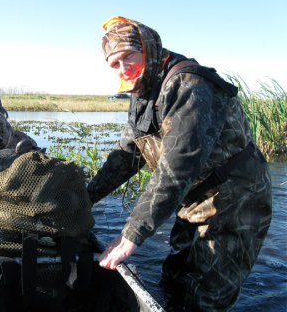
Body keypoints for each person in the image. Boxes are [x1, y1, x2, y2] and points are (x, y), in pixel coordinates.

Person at [87, 16, 272, 311]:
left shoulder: (189, 85)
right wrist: (85, 198)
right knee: (175, 280)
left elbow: (177, 166)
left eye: (128, 57)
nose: (123, 69)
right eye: (114, 64)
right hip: (194, 200)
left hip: (235, 200)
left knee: (206, 296)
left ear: (147, 49)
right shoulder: (144, 88)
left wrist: (132, 234)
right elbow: (126, 155)